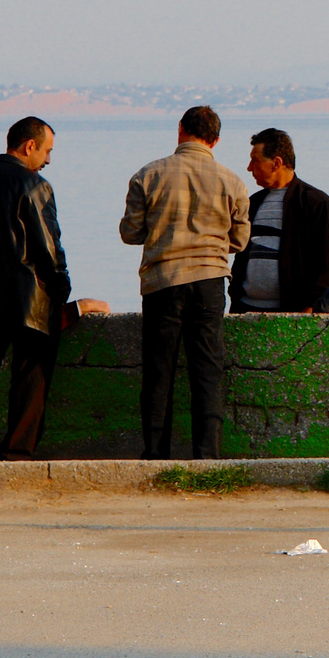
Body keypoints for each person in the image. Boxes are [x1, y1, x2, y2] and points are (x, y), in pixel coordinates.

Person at [0, 117, 109, 460]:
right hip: (28, 299)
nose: (48, 159)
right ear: (29, 145)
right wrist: (61, 290)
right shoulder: (35, 185)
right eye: (47, 150)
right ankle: (17, 450)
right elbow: (48, 247)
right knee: (32, 373)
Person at [120, 106, 250, 459]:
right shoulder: (233, 182)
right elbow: (239, 241)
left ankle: (156, 454)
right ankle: (207, 455)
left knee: (159, 371)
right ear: (216, 140)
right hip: (210, 282)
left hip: (163, 281)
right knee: (207, 370)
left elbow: (130, 233)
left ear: (180, 130)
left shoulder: (148, 175)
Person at [228, 127, 329, 313]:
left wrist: (311, 307)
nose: (249, 168)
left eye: (255, 161)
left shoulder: (316, 203)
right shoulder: (253, 203)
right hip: (245, 308)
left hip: (294, 312)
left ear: (276, 163)